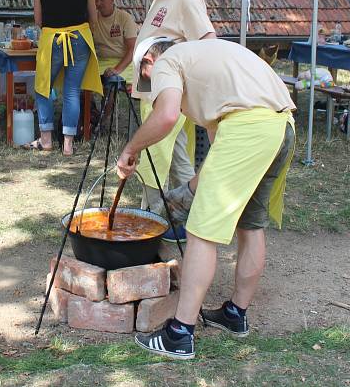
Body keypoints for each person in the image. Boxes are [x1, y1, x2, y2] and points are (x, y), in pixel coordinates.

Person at [117, 37, 296, 360]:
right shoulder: (209, 60)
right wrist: (186, 191)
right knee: (251, 226)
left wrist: (131, 149)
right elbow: (222, 156)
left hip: (251, 129)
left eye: (151, 83)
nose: (156, 89)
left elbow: (167, 116)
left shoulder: (169, 61)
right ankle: (235, 314)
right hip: (281, 127)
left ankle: (179, 334)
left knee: (200, 230)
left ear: (149, 63)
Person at [132, 0, 216, 241]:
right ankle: (188, 217)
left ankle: (152, 218)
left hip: (168, 96)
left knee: (155, 153)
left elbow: (207, 41)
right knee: (179, 156)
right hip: (157, 92)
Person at [24, 0, 102, 156]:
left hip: (53, 38)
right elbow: (94, 18)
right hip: (80, 37)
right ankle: (68, 145)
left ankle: (46, 140)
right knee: (72, 91)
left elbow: (38, 19)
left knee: (43, 88)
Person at [92, 0, 138, 81]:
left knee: (112, 81)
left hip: (124, 63)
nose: (98, 3)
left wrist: (117, 69)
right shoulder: (93, 19)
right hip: (100, 62)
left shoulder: (125, 17)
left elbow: (132, 49)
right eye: (95, 0)